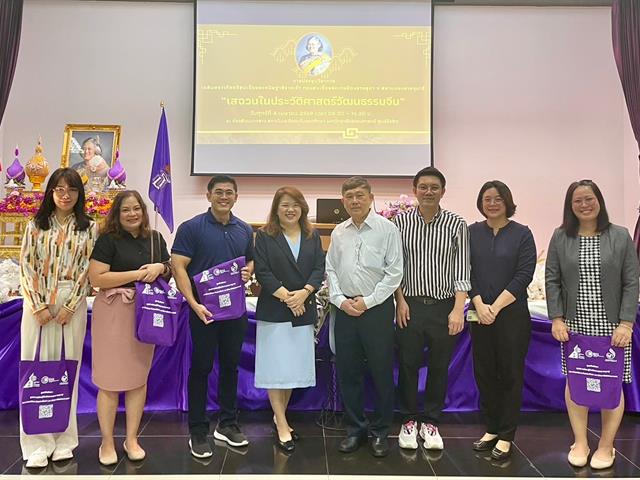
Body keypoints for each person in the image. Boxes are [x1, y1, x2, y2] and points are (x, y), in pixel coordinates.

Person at [545, 179, 639, 470]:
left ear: (599, 201)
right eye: (578, 200)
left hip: (613, 327)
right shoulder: (561, 236)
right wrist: (557, 318)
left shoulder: (620, 236)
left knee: (611, 384)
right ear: (570, 206)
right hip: (574, 326)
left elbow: (631, 282)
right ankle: (580, 442)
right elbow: (552, 279)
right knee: (576, 382)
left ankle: (606, 446)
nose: (584, 205)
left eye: (589, 199)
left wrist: (626, 323)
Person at [19, 168, 98, 468]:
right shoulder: (35, 225)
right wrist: (38, 305)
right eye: (60, 189)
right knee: (35, 368)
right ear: (50, 191)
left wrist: (72, 305)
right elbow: (26, 265)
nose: (66, 195)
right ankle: (36, 443)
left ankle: (64, 439)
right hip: (37, 303)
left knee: (67, 370)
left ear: (79, 194)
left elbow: (87, 268)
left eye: (72, 189)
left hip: (71, 304)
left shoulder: (89, 227)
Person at [172, 175, 254, 459]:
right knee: (202, 367)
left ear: (236, 197)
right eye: (218, 192)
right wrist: (194, 304)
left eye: (229, 192)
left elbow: (250, 259)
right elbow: (178, 267)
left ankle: (227, 424)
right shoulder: (191, 228)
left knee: (231, 367)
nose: (224, 197)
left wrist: (249, 271)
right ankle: (197, 430)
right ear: (208, 196)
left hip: (235, 312)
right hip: (203, 312)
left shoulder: (244, 229)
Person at [88, 190, 171, 465]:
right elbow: (97, 278)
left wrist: (160, 267)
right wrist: (138, 274)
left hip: (145, 312)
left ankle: (132, 439)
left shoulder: (155, 238)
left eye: (136, 208)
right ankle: (107, 442)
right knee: (109, 381)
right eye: (126, 210)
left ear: (143, 212)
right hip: (113, 311)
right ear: (117, 213)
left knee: (137, 379)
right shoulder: (108, 239)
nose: (132, 214)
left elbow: (169, 268)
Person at [394, 166, 470, 452]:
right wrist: (400, 301)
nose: (428, 192)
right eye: (423, 187)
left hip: (443, 307)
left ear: (443, 192)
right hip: (409, 305)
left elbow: (462, 269)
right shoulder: (400, 223)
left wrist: (458, 309)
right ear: (414, 190)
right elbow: (395, 266)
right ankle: (408, 420)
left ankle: (431, 422)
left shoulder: (456, 224)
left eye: (434, 187)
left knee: (439, 366)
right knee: (408, 365)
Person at [326, 176, 403, 457]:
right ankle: (355, 430)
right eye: (349, 196)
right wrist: (340, 300)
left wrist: (368, 302)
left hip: (377, 310)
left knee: (381, 371)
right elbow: (331, 269)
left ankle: (381, 432)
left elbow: (394, 273)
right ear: (343, 201)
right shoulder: (339, 232)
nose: (355, 201)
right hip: (345, 310)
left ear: (371, 198)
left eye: (360, 195)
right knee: (349, 372)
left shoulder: (388, 229)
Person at [468, 181, 536, 461]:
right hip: (478, 312)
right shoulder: (471, 232)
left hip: (511, 315)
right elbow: (465, 271)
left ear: (507, 201)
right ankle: (492, 428)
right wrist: (479, 303)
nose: (492, 203)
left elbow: (524, 275)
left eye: (498, 198)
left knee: (510, 374)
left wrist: (494, 307)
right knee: (484, 373)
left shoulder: (522, 234)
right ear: (481, 203)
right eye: (487, 199)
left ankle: (507, 434)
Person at [254, 186, 325, 453]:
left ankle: (279, 416)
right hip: (275, 310)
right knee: (275, 370)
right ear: (276, 208)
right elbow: (262, 272)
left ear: (302, 208)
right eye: (284, 204)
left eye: (295, 204)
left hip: (302, 309)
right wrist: (288, 298)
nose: (290, 209)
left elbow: (319, 268)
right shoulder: (265, 235)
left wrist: (304, 293)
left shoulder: (312, 235)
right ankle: (282, 424)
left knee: (291, 370)